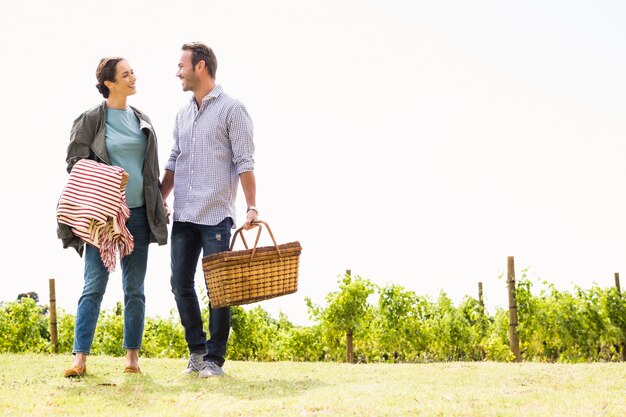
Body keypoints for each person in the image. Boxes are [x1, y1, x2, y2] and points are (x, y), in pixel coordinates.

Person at [58, 57, 168, 377]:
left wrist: (157, 204)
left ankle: (132, 358)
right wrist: (108, 176)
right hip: (104, 217)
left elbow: (150, 172)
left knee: (135, 289)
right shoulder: (91, 119)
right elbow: (74, 163)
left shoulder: (141, 119)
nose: (133, 77)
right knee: (94, 285)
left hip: (138, 215)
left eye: (133, 72)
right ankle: (80, 359)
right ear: (109, 83)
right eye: (126, 74)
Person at [160, 42, 258, 378]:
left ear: (200, 67)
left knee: (219, 288)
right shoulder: (182, 114)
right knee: (179, 283)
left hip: (216, 213)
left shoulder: (233, 110)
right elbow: (174, 161)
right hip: (184, 214)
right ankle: (197, 352)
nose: (178, 72)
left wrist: (252, 207)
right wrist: (161, 197)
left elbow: (245, 162)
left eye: (181, 65)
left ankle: (215, 360)